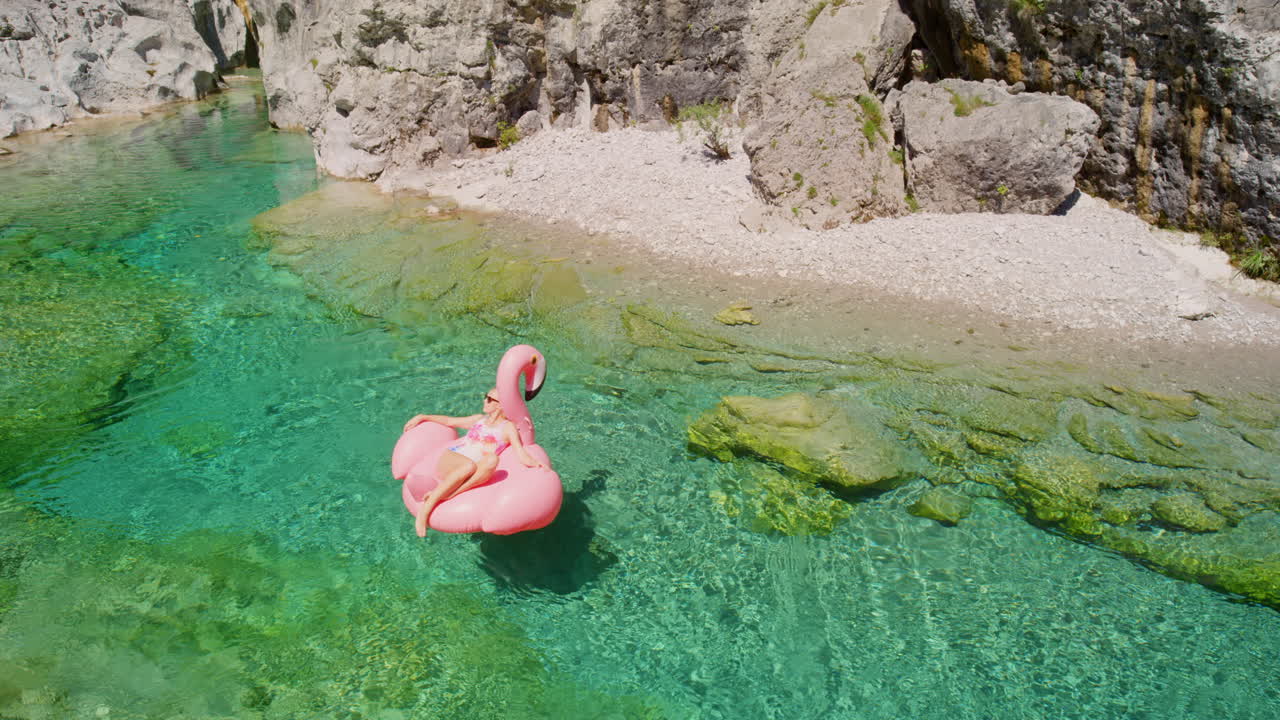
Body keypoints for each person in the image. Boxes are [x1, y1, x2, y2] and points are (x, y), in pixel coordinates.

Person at [402, 388, 545, 537]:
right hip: (453, 459)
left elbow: (520, 452)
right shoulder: (478, 420)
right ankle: (426, 508)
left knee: (492, 460)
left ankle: (450, 494)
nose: (484, 400)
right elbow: (450, 421)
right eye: (485, 396)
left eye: (489, 399)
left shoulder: (507, 428)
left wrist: (536, 464)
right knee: (468, 465)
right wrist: (422, 416)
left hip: (472, 471)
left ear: (501, 405)